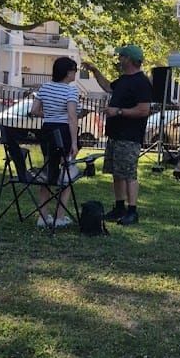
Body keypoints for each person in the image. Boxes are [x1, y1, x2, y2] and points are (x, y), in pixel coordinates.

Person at [88, 45, 154, 226]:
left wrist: (117, 112)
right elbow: (108, 86)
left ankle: (132, 211)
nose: (118, 59)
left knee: (128, 174)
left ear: (129, 59)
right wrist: (95, 71)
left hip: (129, 137)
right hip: (115, 135)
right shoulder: (124, 80)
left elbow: (143, 110)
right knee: (116, 173)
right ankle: (119, 208)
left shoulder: (141, 82)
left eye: (121, 56)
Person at [31, 56, 80, 228]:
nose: (75, 73)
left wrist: (51, 115)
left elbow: (34, 111)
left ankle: (43, 216)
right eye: (75, 70)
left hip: (48, 131)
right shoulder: (71, 91)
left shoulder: (44, 87)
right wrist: (74, 142)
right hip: (64, 132)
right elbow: (72, 116)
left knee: (48, 170)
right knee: (68, 172)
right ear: (68, 72)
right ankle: (60, 216)